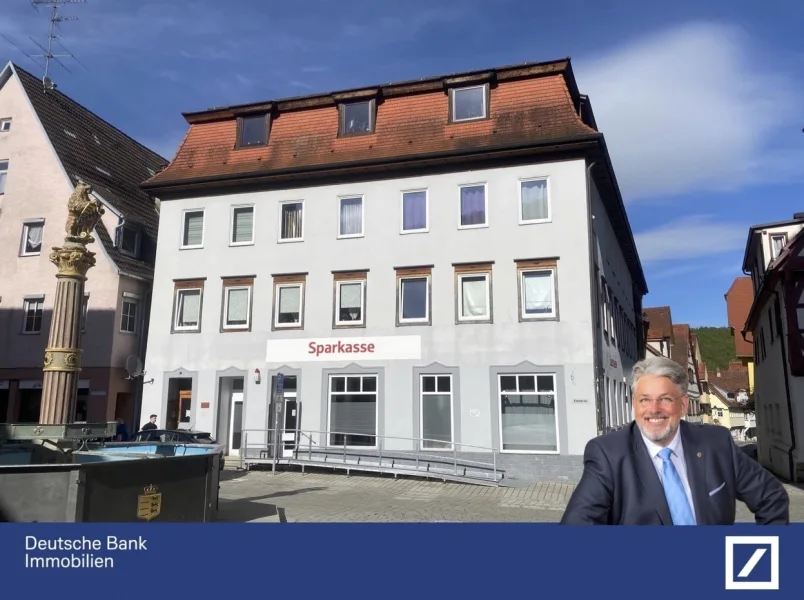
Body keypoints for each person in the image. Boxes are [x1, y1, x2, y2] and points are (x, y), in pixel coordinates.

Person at [561, 355, 789, 525]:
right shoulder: (608, 455)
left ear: (682, 406)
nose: (654, 410)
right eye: (644, 400)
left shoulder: (716, 443)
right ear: (634, 405)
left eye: (665, 399)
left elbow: (772, 496)